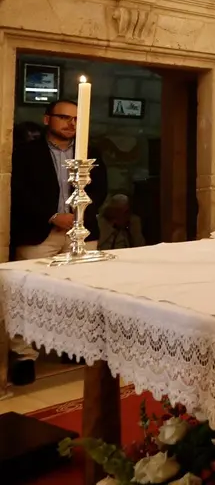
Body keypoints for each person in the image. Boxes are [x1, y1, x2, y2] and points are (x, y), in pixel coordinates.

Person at [8, 99, 107, 385]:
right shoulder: (26, 153)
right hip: (40, 231)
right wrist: (53, 216)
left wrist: (81, 213)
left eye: (76, 119)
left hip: (82, 231)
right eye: (64, 117)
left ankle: (70, 345)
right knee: (25, 292)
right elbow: (19, 191)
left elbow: (101, 189)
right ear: (47, 119)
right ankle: (24, 354)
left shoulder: (90, 152)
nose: (71, 124)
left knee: (78, 294)